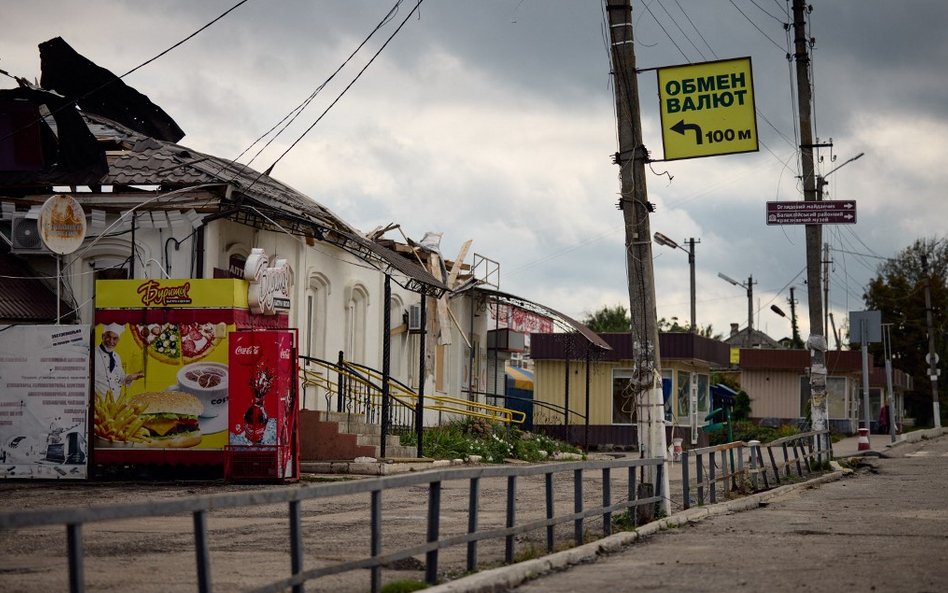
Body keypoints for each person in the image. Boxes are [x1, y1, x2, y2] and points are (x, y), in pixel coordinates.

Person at [94, 323, 143, 397]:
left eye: (115, 338)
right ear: (102, 336)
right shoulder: (93, 354)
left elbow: (120, 379)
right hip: (97, 404)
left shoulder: (117, 357)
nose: (111, 341)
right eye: (108, 337)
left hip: (115, 403)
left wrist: (130, 377)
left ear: (118, 340)